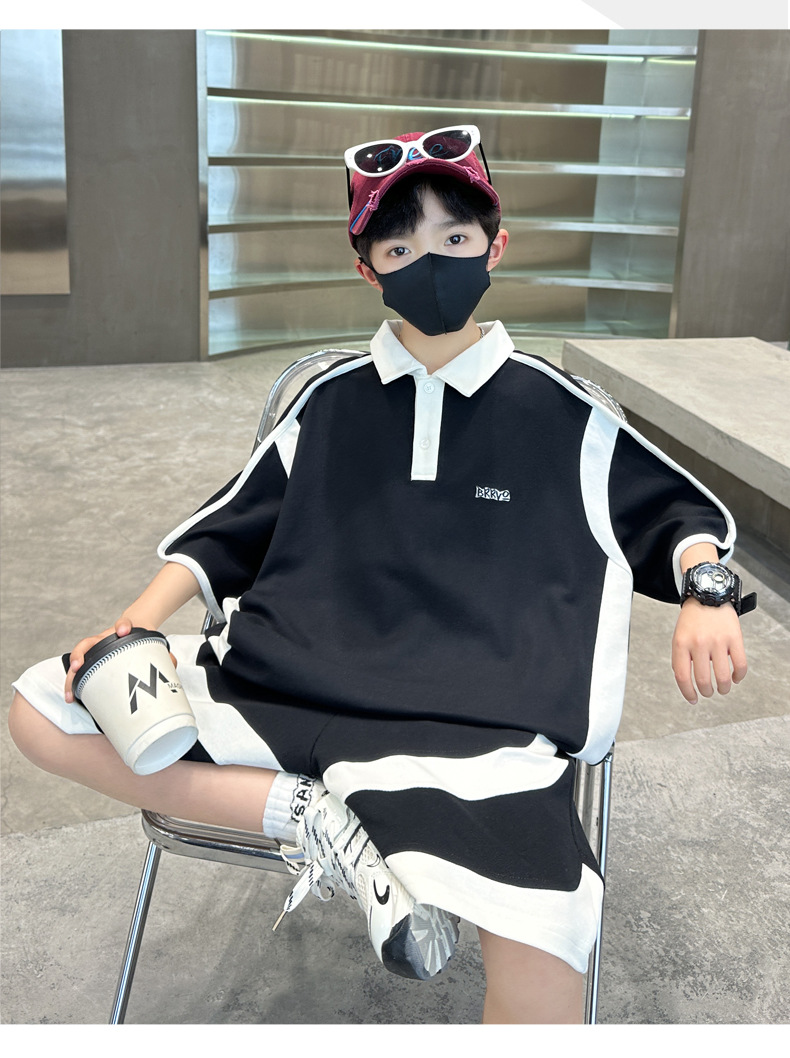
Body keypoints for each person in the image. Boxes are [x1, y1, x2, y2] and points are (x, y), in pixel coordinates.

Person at [8, 124, 755, 1024]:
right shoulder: (330, 401)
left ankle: (337, 818)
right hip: (288, 682)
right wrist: (132, 624)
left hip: (483, 722)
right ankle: (312, 816)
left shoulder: (562, 413)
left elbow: (678, 516)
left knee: (544, 942)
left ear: (495, 248)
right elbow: (230, 525)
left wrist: (706, 592)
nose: (429, 262)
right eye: (399, 249)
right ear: (369, 271)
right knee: (44, 707)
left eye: (455, 237)